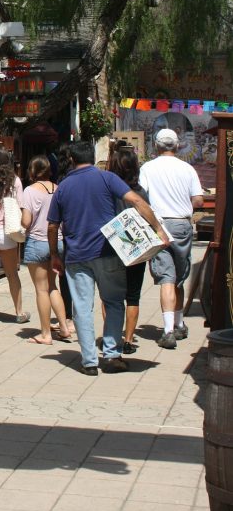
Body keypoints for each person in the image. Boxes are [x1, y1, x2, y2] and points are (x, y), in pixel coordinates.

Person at [48, 142, 169, 375]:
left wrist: (55, 255)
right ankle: (112, 355)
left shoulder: (63, 186)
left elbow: (53, 225)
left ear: (72, 160)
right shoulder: (107, 178)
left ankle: (89, 362)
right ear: (93, 157)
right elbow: (137, 200)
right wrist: (158, 230)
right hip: (108, 253)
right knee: (114, 302)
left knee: (82, 308)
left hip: (76, 256)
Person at [139, 128, 204, 349]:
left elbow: (141, 197)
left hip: (159, 225)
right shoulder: (188, 169)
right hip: (182, 223)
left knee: (166, 277)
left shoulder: (147, 168)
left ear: (156, 146)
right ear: (176, 146)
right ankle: (179, 323)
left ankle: (168, 330)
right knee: (179, 276)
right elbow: (198, 200)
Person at [20, 155, 73, 345]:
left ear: (32, 170)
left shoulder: (30, 191)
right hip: (57, 242)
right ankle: (64, 326)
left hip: (37, 241)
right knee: (53, 286)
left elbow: (26, 221)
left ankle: (45, 333)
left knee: (41, 290)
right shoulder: (58, 189)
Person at [107, 143, 149, 354]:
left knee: (110, 296)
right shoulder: (140, 192)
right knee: (133, 296)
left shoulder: (109, 192)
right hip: (137, 249)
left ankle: (111, 336)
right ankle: (129, 339)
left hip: (112, 248)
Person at [0, 147, 29, 327]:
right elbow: (21, 205)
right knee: (11, 274)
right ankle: (19, 312)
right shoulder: (14, 181)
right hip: (6, 231)